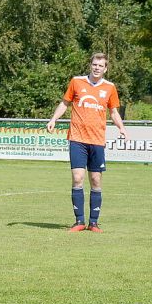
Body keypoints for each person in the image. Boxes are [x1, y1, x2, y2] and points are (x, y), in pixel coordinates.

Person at [46, 52, 128, 232]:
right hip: (77, 138)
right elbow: (65, 103)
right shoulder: (76, 82)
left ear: (105, 68)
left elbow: (114, 112)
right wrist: (53, 119)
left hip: (97, 140)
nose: (97, 68)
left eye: (101, 65)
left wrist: (121, 128)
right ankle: (79, 221)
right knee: (77, 178)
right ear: (90, 65)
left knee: (96, 180)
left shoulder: (110, 87)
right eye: (95, 64)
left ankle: (93, 223)